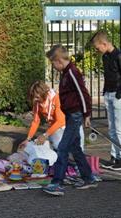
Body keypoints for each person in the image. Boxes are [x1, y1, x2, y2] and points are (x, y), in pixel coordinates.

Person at [43, 44, 97, 196]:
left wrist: (87, 114)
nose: (53, 66)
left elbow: (83, 94)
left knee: (63, 148)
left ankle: (57, 183)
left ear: (59, 60)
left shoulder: (72, 73)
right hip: (71, 115)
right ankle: (88, 178)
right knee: (75, 148)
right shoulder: (67, 73)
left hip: (75, 115)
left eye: (53, 63)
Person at [19, 80, 85, 150]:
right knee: (58, 147)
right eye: (33, 97)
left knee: (78, 149)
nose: (35, 99)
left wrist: (45, 135)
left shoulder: (56, 98)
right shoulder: (37, 103)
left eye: (37, 97)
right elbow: (36, 121)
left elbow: (60, 121)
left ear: (43, 93)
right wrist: (28, 139)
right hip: (57, 128)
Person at [90, 30, 121, 171]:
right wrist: (105, 92)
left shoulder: (118, 55)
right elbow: (108, 76)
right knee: (112, 129)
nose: (97, 51)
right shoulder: (105, 57)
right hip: (108, 93)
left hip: (117, 95)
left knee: (119, 129)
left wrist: (119, 94)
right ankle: (114, 157)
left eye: (97, 48)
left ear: (104, 43)